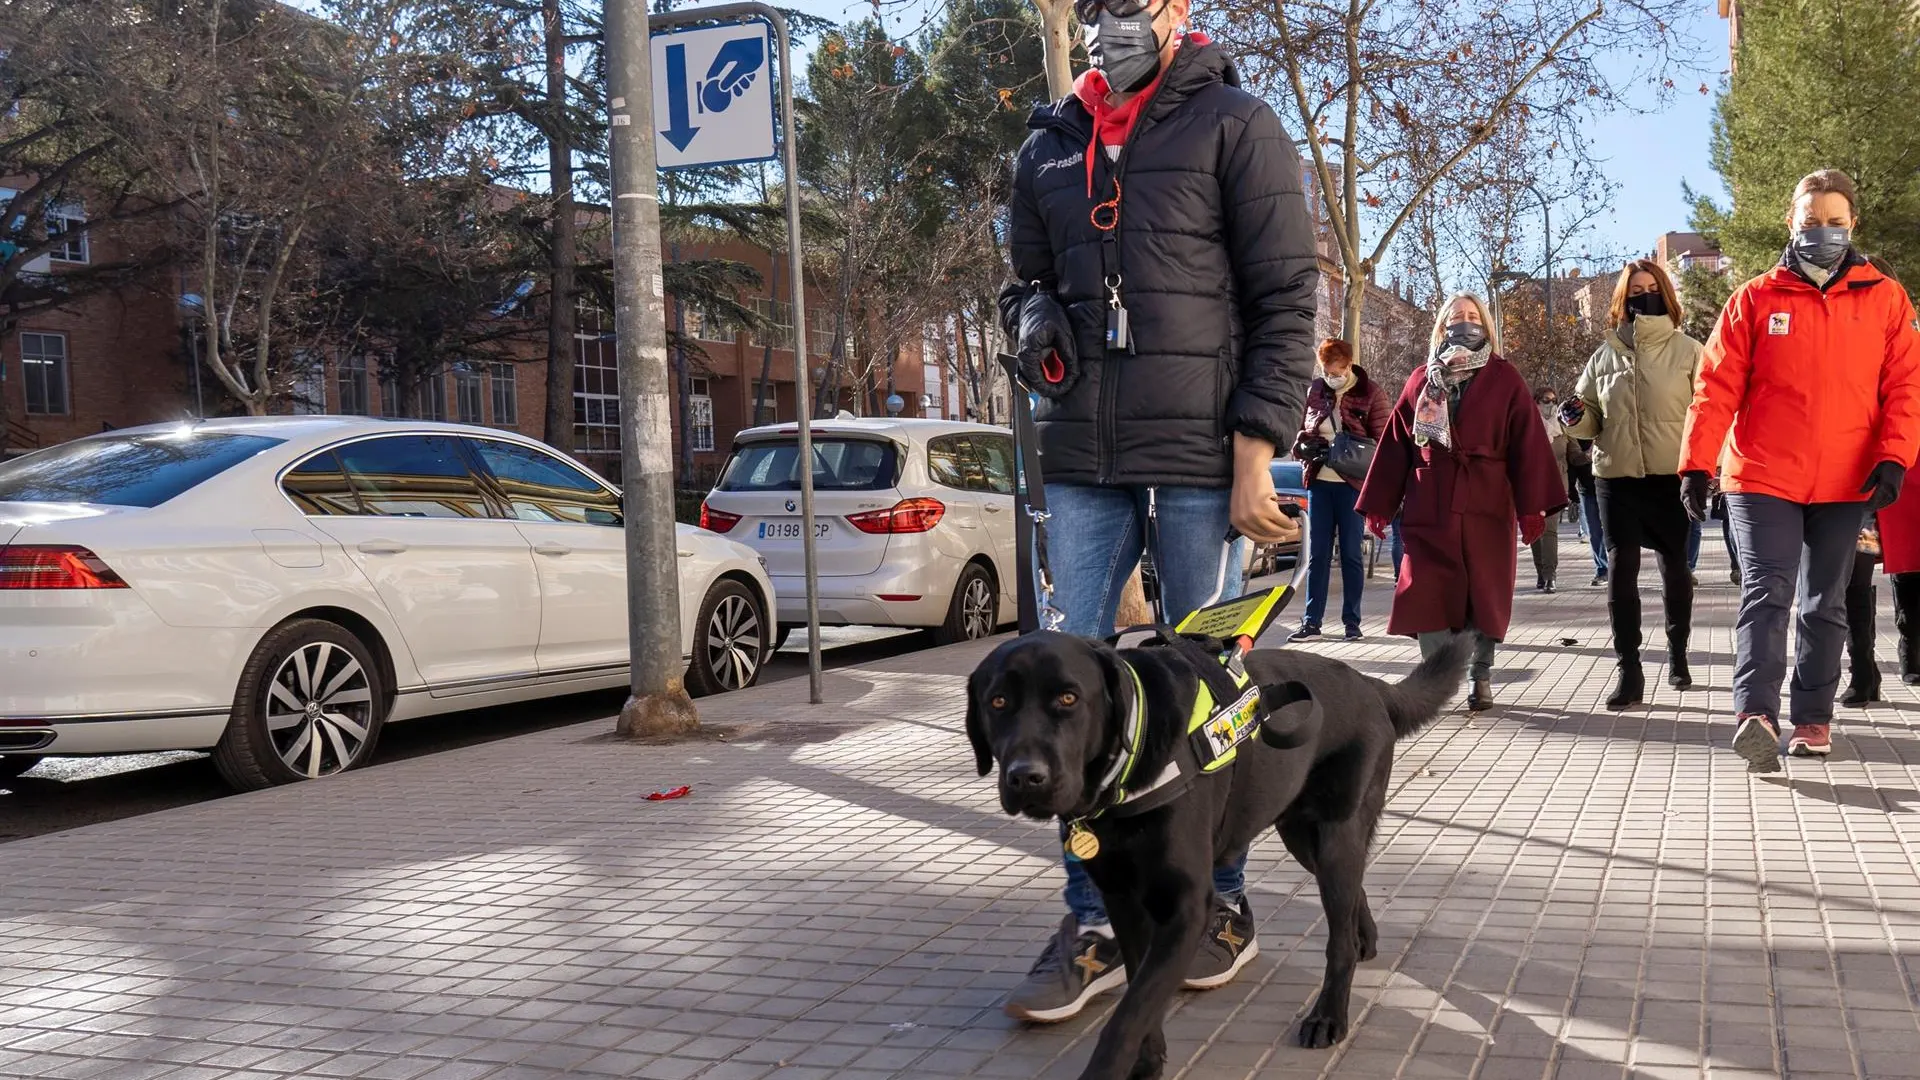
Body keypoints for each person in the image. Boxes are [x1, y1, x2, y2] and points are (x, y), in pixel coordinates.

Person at [1000, 0, 1318, 1021]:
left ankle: (1217, 901)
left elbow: (1284, 299)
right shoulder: (1048, 143)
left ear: (1179, 8)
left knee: (1204, 685)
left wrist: (1256, 453)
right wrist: (1033, 317)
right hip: (1085, 449)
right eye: (1091, 6)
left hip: (1198, 451)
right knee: (1065, 682)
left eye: (1130, 3)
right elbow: (1023, 282)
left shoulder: (1237, 123)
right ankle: (1092, 917)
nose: (1109, 20)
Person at [1679, 169, 1920, 769]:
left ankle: (1812, 719)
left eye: (1834, 223)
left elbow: (1905, 387)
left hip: (1849, 478)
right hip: (1762, 475)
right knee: (1766, 593)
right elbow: (1715, 388)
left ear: (1851, 225)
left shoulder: (1886, 299)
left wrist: (1894, 457)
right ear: (1792, 222)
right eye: (1811, 222)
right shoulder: (1755, 299)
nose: (1822, 232)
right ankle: (1755, 714)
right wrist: (1695, 463)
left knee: (1824, 601)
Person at [1357, 294, 1568, 711]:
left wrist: (1532, 506)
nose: (1465, 324)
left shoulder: (1505, 378)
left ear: (1485, 327)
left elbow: (1526, 442)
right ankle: (1436, 677)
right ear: (1442, 327)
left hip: (1487, 500)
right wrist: (1380, 502)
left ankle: (1480, 675)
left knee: (1484, 591)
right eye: (1456, 318)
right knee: (1425, 589)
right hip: (1430, 497)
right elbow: (1397, 443)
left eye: (1473, 318)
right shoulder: (1421, 378)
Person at [1561, 258, 1704, 709]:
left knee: (1675, 569)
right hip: (1615, 478)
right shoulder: (1604, 355)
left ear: (1664, 293)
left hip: (1670, 478)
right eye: (1634, 290)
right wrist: (1574, 418)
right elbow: (1589, 418)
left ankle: (1678, 653)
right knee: (1620, 573)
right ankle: (1630, 670)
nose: (1644, 296)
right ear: (1622, 300)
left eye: (1651, 288)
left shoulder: (1688, 350)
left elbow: (1708, 411)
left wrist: (1703, 468)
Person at [1289, 339, 1391, 640]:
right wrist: (1303, 446)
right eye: (1326, 371)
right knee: (1317, 554)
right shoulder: (1316, 391)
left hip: (1352, 486)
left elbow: (1383, 441)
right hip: (1318, 481)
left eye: (1336, 371)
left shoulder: (1371, 393)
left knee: (1351, 554)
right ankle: (1312, 622)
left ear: (1348, 365)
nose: (1331, 377)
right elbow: (1300, 429)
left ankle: (1352, 623)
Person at [1531, 387, 1569, 593]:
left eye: (1554, 401)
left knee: (1550, 530)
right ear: (1536, 401)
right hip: (1532, 484)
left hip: (1557, 485)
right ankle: (1540, 571)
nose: (1550, 404)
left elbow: (1573, 455)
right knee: (1535, 529)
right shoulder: (1528, 424)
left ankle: (1550, 576)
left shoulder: (1562, 425)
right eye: (1546, 400)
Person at [1842, 518, 1883, 705]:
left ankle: (1862, 673)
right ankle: (1868, 672)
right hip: (1817, 511)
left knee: (1858, 586)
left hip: (1865, 517)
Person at [1568, 436, 1608, 584]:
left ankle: (1620, 569)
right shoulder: (1573, 431)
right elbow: (1572, 459)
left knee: (1614, 530)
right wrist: (1571, 489)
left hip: (1609, 485)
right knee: (1594, 531)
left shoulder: (1604, 425)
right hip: (1587, 488)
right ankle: (1602, 569)